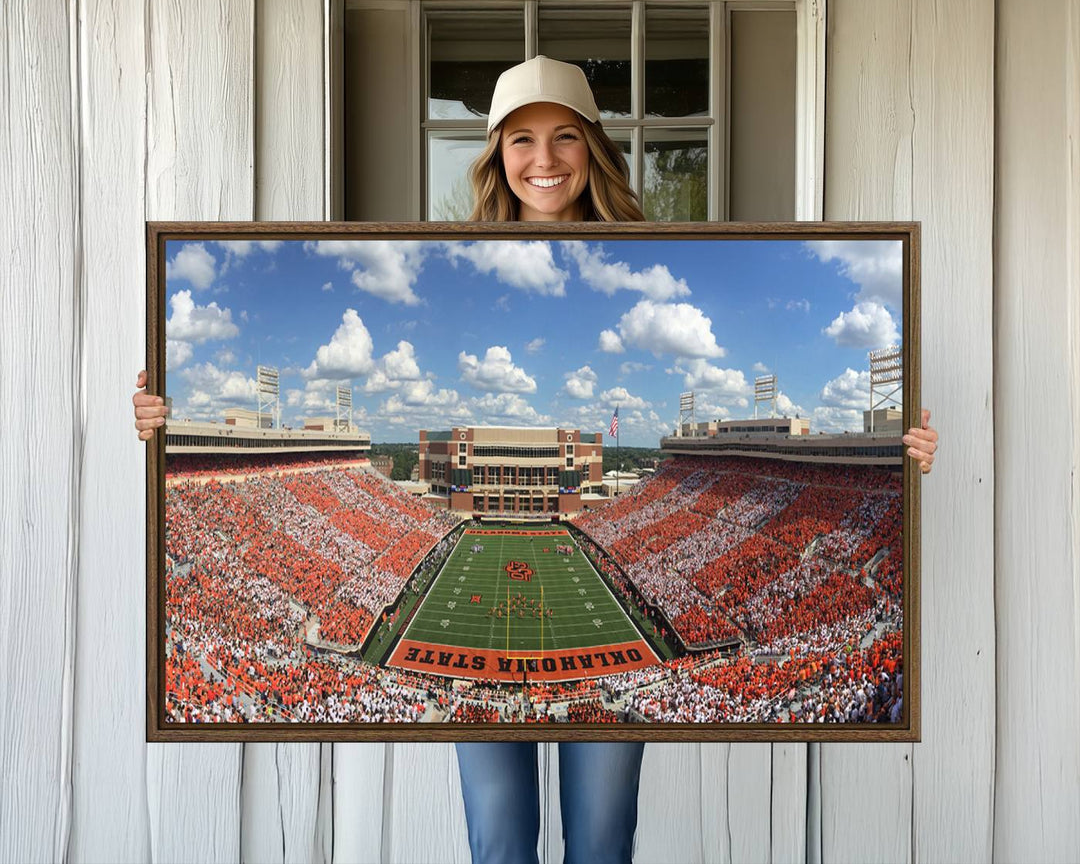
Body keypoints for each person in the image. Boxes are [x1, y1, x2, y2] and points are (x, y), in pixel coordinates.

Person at [131, 56, 939, 864]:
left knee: (599, 843)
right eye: (522, 139)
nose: (544, 160)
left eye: (564, 138)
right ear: (495, 154)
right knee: (500, 842)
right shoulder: (450, 253)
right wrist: (165, 416)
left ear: (592, 147)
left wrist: (897, 453)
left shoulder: (657, 259)